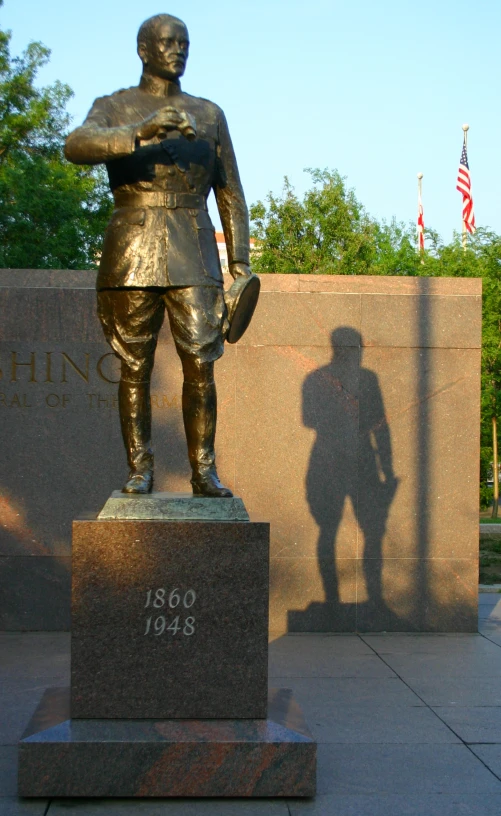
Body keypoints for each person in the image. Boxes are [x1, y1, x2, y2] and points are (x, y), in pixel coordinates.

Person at [65, 13, 251, 497]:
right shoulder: (115, 105)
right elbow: (76, 145)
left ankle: (204, 470)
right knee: (134, 366)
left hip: (193, 246)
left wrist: (240, 267)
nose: (177, 50)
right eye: (167, 43)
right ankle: (139, 468)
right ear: (144, 50)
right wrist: (142, 130)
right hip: (133, 246)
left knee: (201, 364)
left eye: (184, 43)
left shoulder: (209, 114)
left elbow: (230, 193)